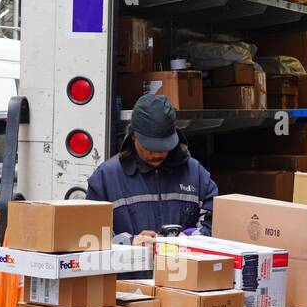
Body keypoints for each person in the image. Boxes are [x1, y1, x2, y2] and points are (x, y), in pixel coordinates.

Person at [86, 93, 217, 244]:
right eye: (150, 147)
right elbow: (89, 233)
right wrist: (130, 242)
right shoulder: (106, 177)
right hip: (129, 266)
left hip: (184, 266)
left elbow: (215, 223)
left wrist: (189, 239)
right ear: (134, 135)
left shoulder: (195, 173)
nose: (157, 154)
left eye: (164, 147)